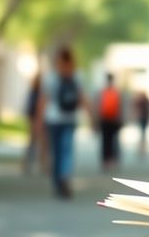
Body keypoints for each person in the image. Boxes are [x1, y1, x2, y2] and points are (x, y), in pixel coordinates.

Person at [36, 47, 93, 199]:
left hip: (65, 120)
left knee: (63, 151)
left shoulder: (68, 77)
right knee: (60, 152)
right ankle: (60, 180)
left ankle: (63, 179)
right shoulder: (59, 77)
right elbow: (45, 100)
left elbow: (81, 97)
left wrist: (91, 116)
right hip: (57, 120)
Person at [96, 72, 124, 172]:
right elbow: (120, 107)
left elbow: (98, 106)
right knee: (113, 140)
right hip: (113, 119)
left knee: (106, 140)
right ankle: (112, 159)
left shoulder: (102, 92)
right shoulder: (116, 92)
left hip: (105, 119)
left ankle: (106, 160)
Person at [21, 71, 46, 175]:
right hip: (36, 120)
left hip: (36, 120)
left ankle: (38, 165)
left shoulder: (34, 92)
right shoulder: (37, 93)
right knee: (37, 144)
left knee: (36, 144)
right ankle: (36, 164)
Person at [133, 91, 149, 159]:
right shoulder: (144, 101)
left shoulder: (142, 101)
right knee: (143, 134)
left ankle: (141, 150)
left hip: (142, 119)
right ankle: (142, 150)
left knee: (142, 134)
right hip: (143, 119)